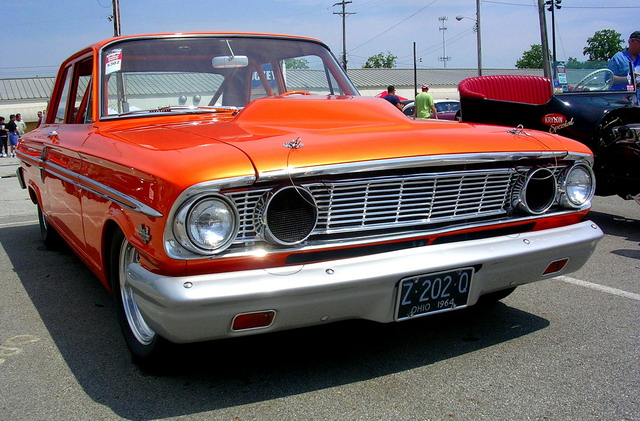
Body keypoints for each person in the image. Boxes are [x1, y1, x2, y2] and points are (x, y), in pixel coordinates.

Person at [607, 31, 640, 99]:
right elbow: (608, 79)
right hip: (619, 100)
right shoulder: (618, 58)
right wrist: (629, 79)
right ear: (632, 41)